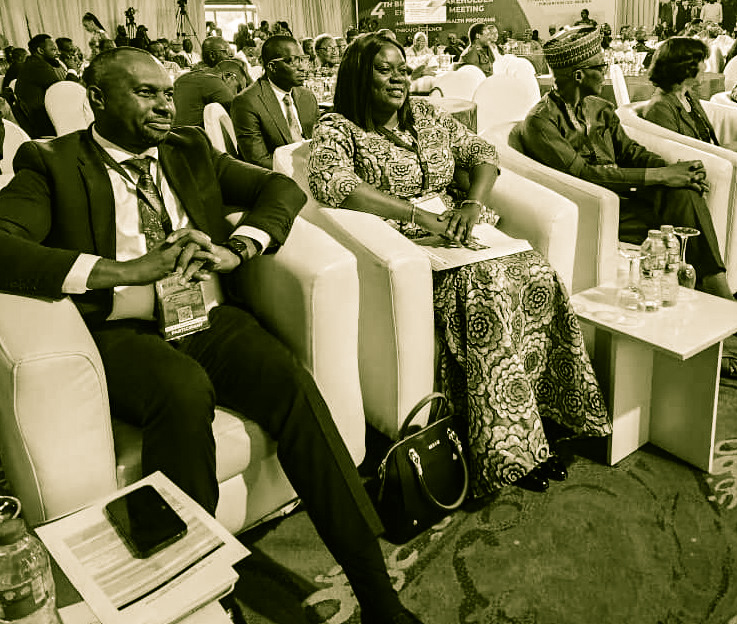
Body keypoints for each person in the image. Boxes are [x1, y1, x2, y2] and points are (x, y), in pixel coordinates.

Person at [0, 46, 426, 624]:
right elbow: (5, 244)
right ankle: (204, 597)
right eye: (144, 93)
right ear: (97, 99)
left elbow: (282, 191)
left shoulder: (187, 148)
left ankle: (375, 590)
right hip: (122, 330)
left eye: (166, 93)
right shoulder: (50, 162)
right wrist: (122, 271)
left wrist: (239, 247)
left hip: (204, 316)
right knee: (183, 391)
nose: (163, 105)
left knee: (290, 382)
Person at [308, 33, 611, 498]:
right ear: (358, 77)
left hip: (463, 227)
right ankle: (509, 449)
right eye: (385, 70)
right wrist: (417, 214)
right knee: (486, 291)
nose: (399, 79)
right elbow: (334, 183)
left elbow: (482, 153)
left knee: (537, 273)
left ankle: (548, 412)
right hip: (404, 242)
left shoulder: (427, 115)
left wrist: (472, 203)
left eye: (402, 69)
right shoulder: (339, 129)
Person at [518, 26, 734, 300]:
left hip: (628, 196)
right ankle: (719, 297)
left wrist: (676, 171)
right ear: (579, 74)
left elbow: (631, 151)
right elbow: (585, 175)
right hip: (594, 207)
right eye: (601, 65)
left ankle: (712, 292)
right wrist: (661, 176)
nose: (606, 71)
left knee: (685, 191)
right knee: (680, 202)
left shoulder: (600, 108)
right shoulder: (541, 121)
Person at [231, 35, 318, 168]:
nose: (303, 68)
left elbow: (318, 143)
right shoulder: (246, 102)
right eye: (293, 61)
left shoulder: (307, 97)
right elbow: (257, 160)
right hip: (274, 178)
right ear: (272, 67)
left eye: (303, 60)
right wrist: (302, 172)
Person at [643, 37, 737, 150]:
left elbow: (705, 141)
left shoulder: (688, 96)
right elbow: (673, 153)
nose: (705, 67)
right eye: (701, 62)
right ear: (684, 66)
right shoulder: (660, 107)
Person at [14, 34, 66, 137]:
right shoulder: (38, 66)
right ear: (41, 51)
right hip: (44, 125)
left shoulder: (32, 62)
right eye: (53, 50)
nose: (58, 53)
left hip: (38, 119)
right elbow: (62, 91)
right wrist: (72, 71)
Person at [173, 56, 249, 127]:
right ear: (228, 76)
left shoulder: (184, 77)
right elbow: (241, 115)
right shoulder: (214, 81)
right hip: (192, 137)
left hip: (173, 135)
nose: (236, 95)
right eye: (238, 89)